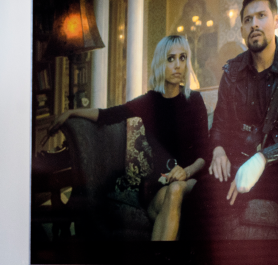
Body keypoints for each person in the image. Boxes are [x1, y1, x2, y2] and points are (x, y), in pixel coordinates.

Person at [185, 0, 278, 240]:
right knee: (201, 193)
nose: (254, 24)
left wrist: (263, 158)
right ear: (241, 30)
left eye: (261, 16)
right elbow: (219, 124)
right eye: (248, 20)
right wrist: (218, 150)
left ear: (276, 21)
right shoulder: (231, 71)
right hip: (240, 167)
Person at [47, 35, 208, 241]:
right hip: (158, 188)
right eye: (171, 59)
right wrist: (71, 112)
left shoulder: (194, 100)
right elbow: (106, 115)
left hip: (191, 182)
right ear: (161, 62)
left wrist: (185, 172)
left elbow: (205, 153)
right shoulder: (149, 102)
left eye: (183, 58)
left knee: (176, 189)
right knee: (170, 202)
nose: (178, 65)